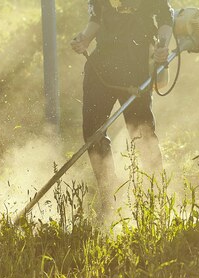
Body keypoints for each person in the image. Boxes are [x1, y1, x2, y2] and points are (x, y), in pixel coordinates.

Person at [70, 0, 174, 216]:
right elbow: (96, 18)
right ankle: (110, 195)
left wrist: (163, 45)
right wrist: (83, 39)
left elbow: (165, 17)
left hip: (135, 65)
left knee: (142, 133)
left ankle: (157, 197)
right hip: (102, 66)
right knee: (92, 131)